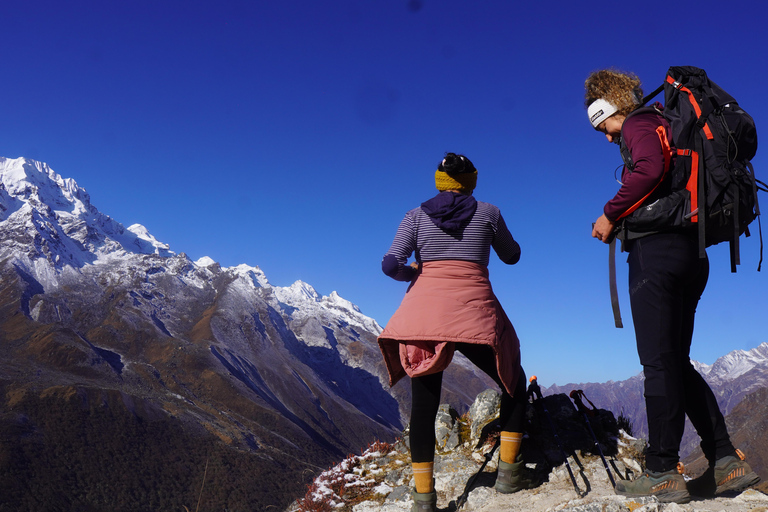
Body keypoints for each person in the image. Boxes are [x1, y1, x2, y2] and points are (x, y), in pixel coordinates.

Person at [585, 69, 760, 503]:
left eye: (602, 124)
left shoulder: (639, 123)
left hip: (657, 255)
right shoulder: (669, 122)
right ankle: (726, 461)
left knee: (659, 364)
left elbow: (649, 169)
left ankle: (662, 470)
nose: (606, 137)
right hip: (692, 254)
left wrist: (609, 214)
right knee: (676, 362)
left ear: (610, 108)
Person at [377, 153, 533, 511]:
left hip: (425, 317)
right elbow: (512, 256)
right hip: (475, 313)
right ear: (471, 180)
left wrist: (414, 272)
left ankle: (423, 499)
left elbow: (390, 264)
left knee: (424, 405)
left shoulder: (414, 216)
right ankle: (509, 473)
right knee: (513, 379)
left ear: (439, 180)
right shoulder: (489, 213)